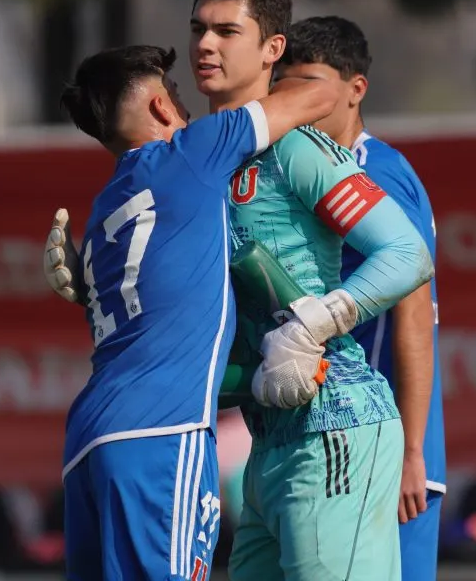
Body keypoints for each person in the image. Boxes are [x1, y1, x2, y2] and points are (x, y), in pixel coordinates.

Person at [48, 44, 337, 581]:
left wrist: (257, 378)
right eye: (178, 95)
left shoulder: (106, 211)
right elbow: (321, 94)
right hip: (161, 435)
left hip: (89, 440)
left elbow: (168, 344)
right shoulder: (191, 152)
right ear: (161, 108)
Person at [188, 0, 434, 581]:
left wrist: (314, 323)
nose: (204, 45)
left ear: (272, 49)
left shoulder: (297, 149)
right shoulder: (195, 160)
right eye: (197, 29)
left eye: (225, 31)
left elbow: (408, 256)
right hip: (263, 445)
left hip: (336, 432)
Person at [275, 16, 446, 581]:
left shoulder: (378, 174)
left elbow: (415, 314)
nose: (300, 99)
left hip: (385, 444)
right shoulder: (312, 169)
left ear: (355, 88)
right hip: (344, 437)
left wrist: (413, 453)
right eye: (288, 85)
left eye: (313, 83)